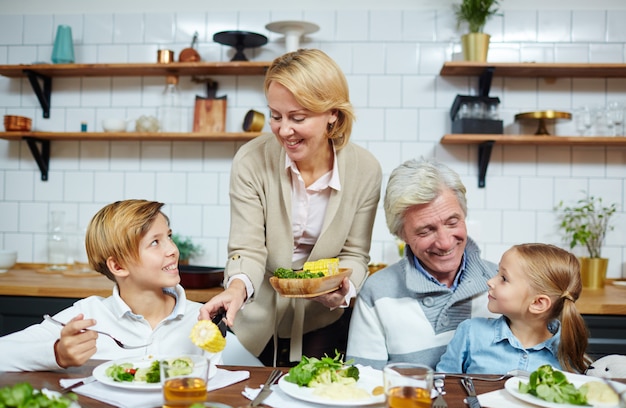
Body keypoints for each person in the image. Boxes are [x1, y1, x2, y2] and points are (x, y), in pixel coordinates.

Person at [199, 48, 382, 366]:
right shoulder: (251, 160)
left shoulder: (365, 170)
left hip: (322, 320)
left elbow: (355, 254)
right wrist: (237, 289)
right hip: (255, 319)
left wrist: (344, 288)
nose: (284, 130)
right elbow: (248, 248)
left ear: (332, 115)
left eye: (298, 118)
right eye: (276, 115)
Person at [0, 199, 221, 372]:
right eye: (155, 242)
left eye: (169, 237)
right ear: (118, 265)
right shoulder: (87, 317)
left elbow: (237, 380)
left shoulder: (201, 318)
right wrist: (57, 354)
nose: (172, 249)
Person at [346, 158, 498, 370]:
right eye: (425, 231)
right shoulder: (377, 292)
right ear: (402, 234)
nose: (445, 243)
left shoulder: (503, 283)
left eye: (452, 222)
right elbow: (363, 383)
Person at [437, 243, 591, 374]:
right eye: (498, 272)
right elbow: (443, 385)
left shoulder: (568, 349)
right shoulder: (471, 333)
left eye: (504, 278)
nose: (490, 281)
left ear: (538, 303)